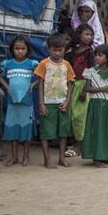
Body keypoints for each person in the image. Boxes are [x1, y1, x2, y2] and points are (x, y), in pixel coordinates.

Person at [35, 34, 75, 169]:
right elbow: (40, 84)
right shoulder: (44, 64)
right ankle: (47, 159)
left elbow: (70, 84)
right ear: (49, 49)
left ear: (64, 49)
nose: (57, 53)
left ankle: (61, 158)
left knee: (63, 132)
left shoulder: (67, 65)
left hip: (62, 103)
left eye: (60, 50)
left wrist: (68, 101)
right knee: (46, 132)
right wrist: (41, 103)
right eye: (54, 50)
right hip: (47, 103)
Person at [1, 36, 38, 166]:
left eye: (23, 48)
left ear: (27, 49)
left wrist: (34, 84)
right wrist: (6, 86)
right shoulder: (7, 64)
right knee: (12, 129)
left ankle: (26, 156)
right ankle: (14, 156)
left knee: (26, 130)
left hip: (27, 101)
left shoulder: (32, 64)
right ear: (12, 49)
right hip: (12, 102)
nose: (20, 51)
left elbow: (42, 74)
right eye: (17, 48)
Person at [81, 44, 108, 168]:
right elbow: (86, 88)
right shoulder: (91, 71)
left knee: (107, 131)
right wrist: (101, 89)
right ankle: (96, 158)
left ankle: (105, 156)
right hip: (95, 105)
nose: (97, 57)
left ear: (107, 58)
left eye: (100, 55)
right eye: (96, 55)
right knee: (96, 131)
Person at [67, 24, 95, 156]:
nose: (89, 37)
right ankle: (75, 142)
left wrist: (85, 89)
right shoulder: (72, 51)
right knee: (71, 114)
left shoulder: (90, 52)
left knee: (80, 116)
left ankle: (79, 145)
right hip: (72, 84)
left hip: (83, 84)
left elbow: (91, 71)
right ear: (79, 35)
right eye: (86, 34)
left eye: (91, 35)